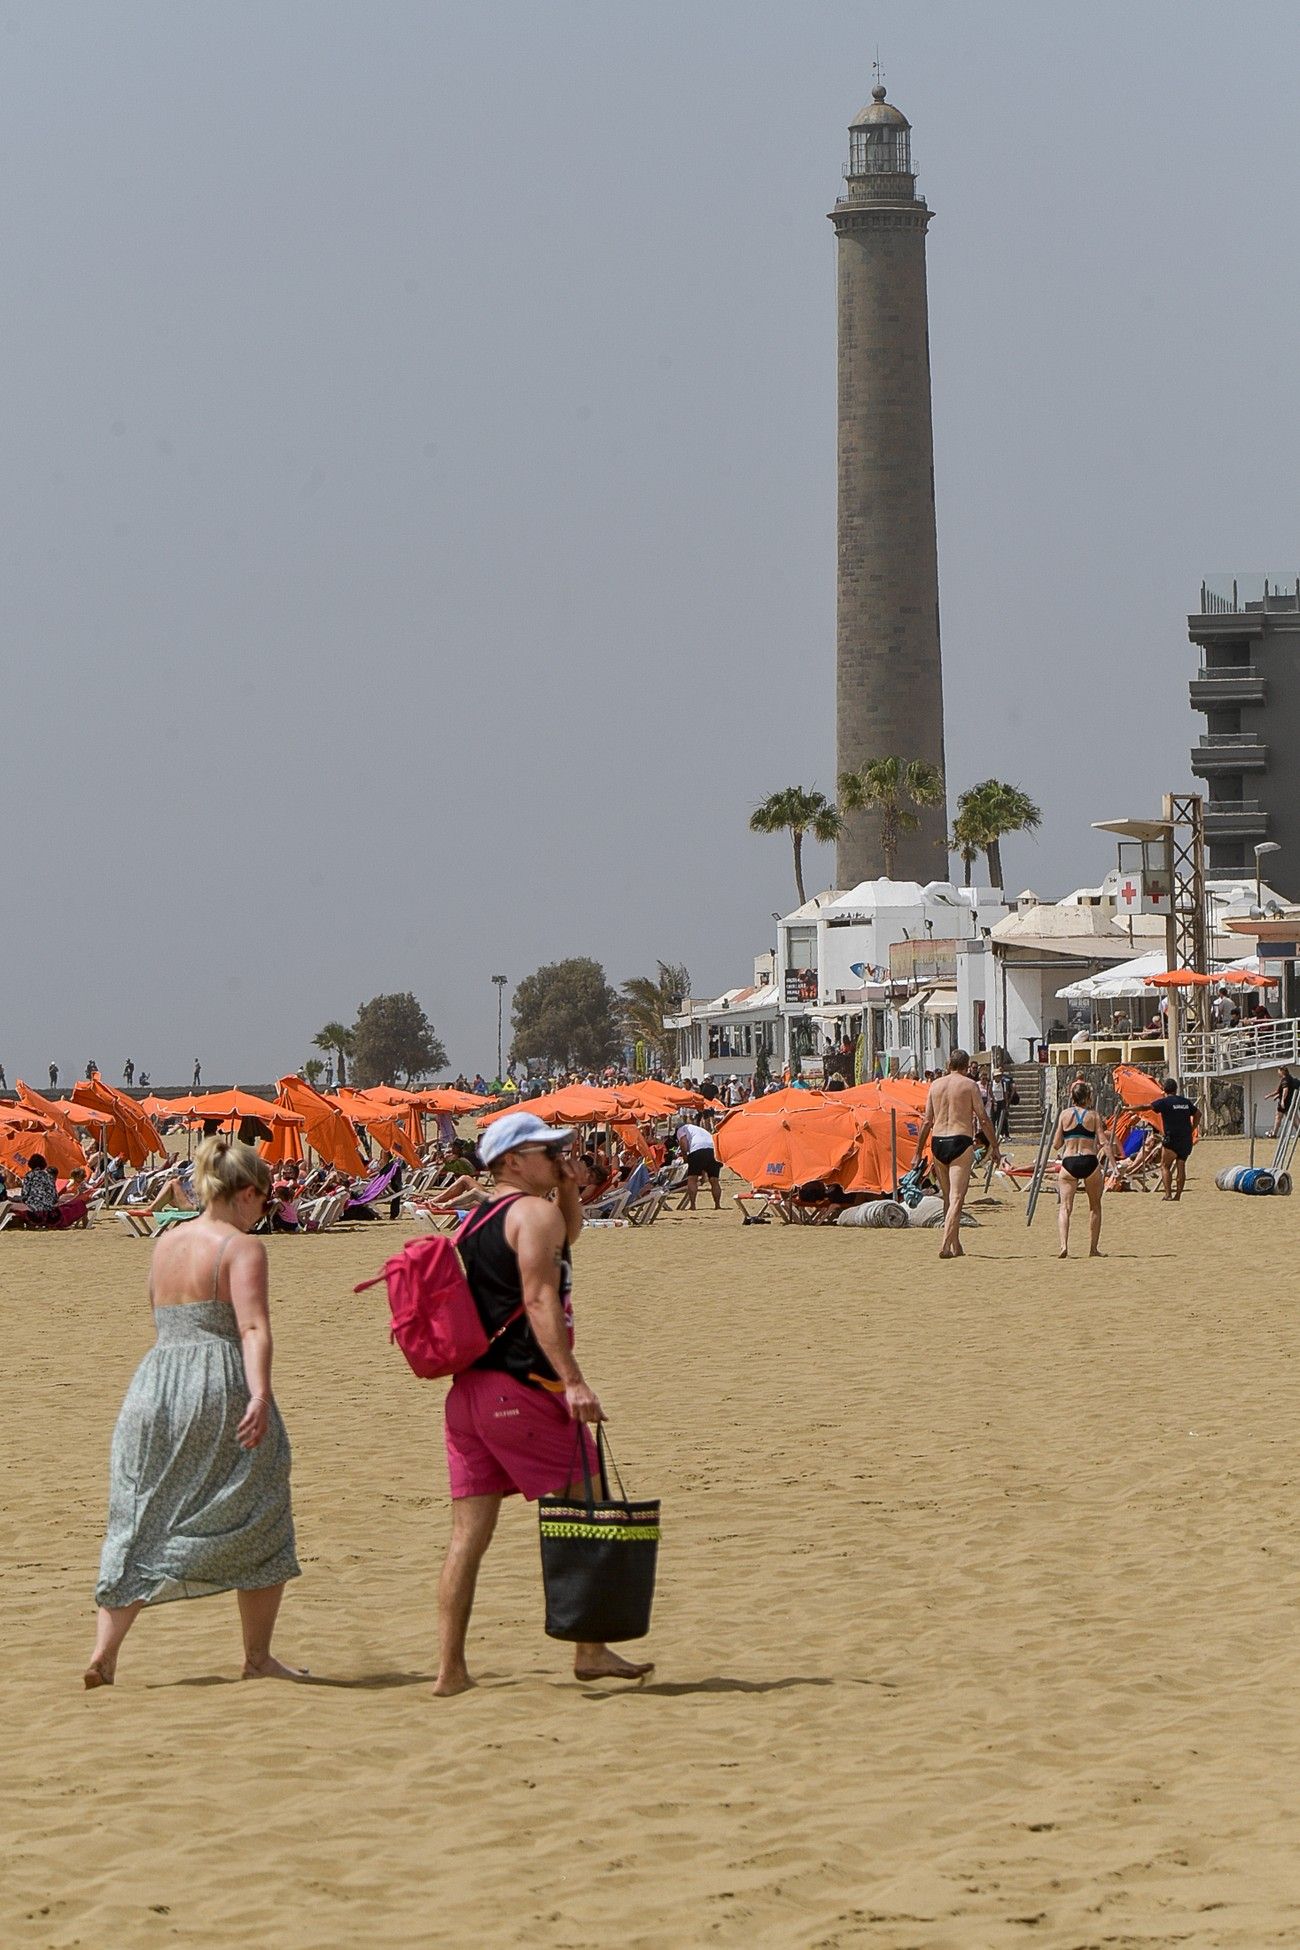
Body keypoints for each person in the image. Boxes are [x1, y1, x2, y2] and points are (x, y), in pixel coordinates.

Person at [433, 1110, 652, 1696]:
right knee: (585, 1503)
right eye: (546, 1149)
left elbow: (566, 1239)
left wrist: (566, 1185)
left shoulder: (481, 1216)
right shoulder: (531, 1215)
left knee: (467, 1537)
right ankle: (589, 1649)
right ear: (510, 1161)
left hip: (470, 1394)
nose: (560, 1153)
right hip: (524, 1390)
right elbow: (537, 1297)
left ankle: (449, 1670)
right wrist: (574, 1380)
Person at [85, 1137, 302, 1689]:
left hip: (155, 1383)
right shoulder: (241, 1247)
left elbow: (159, 1316)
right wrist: (258, 1395)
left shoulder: (166, 1242)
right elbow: (252, 1327)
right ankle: (257, 1657)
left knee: (141, 1514)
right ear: (246, 1193)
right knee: (261, 1505)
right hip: (217, 1380)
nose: (265, 1210)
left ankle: (104, 1653)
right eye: (266, 1199)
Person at [912, 1050, 1000, 1260]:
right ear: (967, 1065)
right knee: (957, 1197)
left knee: (948, 1197)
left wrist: (917, 1152)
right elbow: (983, 1118)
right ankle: (945, 1244)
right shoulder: (969, 1085)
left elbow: (926, 1121)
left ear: (949, 1064)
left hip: (938, 1141)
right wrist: (994, 1146)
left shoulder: (935, 1085)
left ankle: (956, 1244)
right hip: (959, 1140)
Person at [1050, 1080, 1113, 1258]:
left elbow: (1056, 1144)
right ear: (1087, 1097)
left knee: (1065, 1207)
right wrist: (1113, 1164)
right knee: (1095, 1206)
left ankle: (1063, 1245)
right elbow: (1103, 1142)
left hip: (1069, 1162)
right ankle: (1093, 1249)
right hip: (1089, 1162)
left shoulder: (1064, 1115)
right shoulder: (1093, 1116)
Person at [1150, 1078, 1200, 1201]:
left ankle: (1168, 1194)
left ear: (1164, 1089)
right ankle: (1178, 1195)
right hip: (1185, 1139)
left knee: (1165, 1166)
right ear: (1176, 1089)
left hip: (1171, 1139)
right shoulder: (1185, 1102)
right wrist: (1192, 1128)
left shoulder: (1164, 1102)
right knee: (1181, 1166)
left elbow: (1146, 1107)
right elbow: (1198, 1114)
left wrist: (1129, 1109)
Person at [676, 1121, 723, 1210]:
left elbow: (683, 1143)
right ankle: (717, 1205)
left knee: (692, 1179)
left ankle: (693, 1205)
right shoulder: (700, 1129)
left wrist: (685, 1158)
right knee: (714, 1180)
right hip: (713, 1150)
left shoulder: (682, 1129)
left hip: (697, 1150)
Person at [1268, 1066, 1298, 1138]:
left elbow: (1285, 1090)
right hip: (1291, 1102)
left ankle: (1274, 1134)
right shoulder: (1290, 1078)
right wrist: (1274, 1096)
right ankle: (1274, 1133)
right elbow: (1281, 1091)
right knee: (1293, 1118)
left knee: (1279, 1117)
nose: (1278, 1073)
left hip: (1285, 1103)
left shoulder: (1285, 1080)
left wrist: (1282, 1101)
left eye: (1278, 1071)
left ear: (1282, 1071)